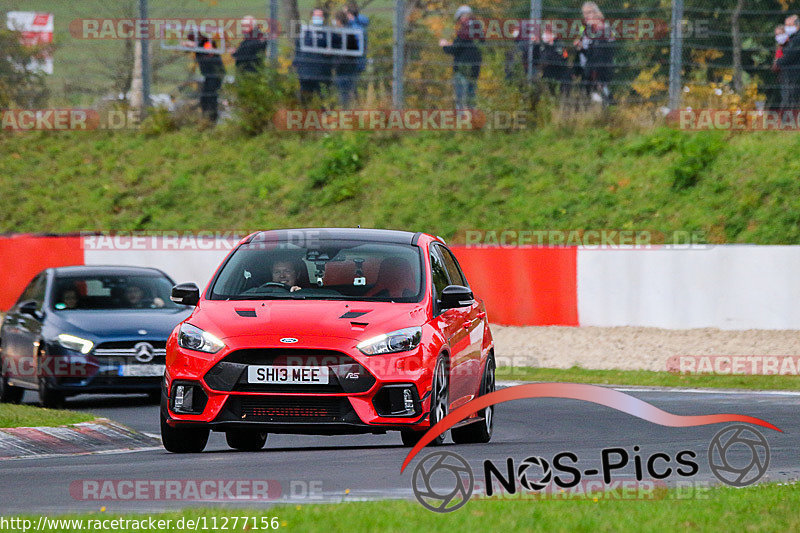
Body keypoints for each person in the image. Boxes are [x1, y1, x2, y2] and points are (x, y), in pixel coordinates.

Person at [440, 5, 484, 110]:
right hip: (475, 67)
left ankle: (461, 119)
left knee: (460, 95)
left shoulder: (465, 30)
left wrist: (445, 45)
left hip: (462, 67)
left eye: (460, 19)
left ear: (463, 17)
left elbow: (456, 49)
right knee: (471, 94)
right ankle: (473, 118)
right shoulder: (479, 30)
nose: (460, 21)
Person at [574, 2, 615, 105]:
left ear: (596, 13)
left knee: (604, 99)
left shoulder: (605, 29)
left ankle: (610, 106)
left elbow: (604, 53)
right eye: (584, 13)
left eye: (588, 13)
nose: (586, 16)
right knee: (588, 99)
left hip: (599, 71)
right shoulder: (585, 29)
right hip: (586, 70)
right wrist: (580, 47)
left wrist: (596, 73)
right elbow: (587, 50)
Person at [293, 8, 333, 104]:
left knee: (324, 99)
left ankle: (326, 117)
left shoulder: (328, 34)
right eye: (315, 16)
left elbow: (335, 50)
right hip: (306, 74)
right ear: (311, 17)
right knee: (306, 99)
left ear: (323, 18)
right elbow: (298, 52)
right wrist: (297, 66)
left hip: (322, 73)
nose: (317, 18)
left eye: (319, 16)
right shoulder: (304, 33)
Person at [184, 32, 226, 122]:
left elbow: (209, 52)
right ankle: (206, 118)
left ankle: (211, 118)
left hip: (215, 74)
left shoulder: (207, 42)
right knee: (205, 97)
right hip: (209, 75)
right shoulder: (200, 44)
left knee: (210, 96)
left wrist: (195, 45)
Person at [777, 15, 800, 109]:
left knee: (790, 100)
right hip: (791, 74)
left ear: (797, 25)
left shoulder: (797, 39)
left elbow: (790, 55)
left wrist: (779, 62)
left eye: (789, 25)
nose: (787, 28)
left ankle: (787, 121)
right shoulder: (792, 38)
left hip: (793, 75)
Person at [770, 25, 788, 110]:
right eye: (776, 35)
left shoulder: (791, 46)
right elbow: (775, 64)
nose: (778, 37)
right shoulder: (779, 47)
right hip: (783, 76)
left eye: (780, 34)